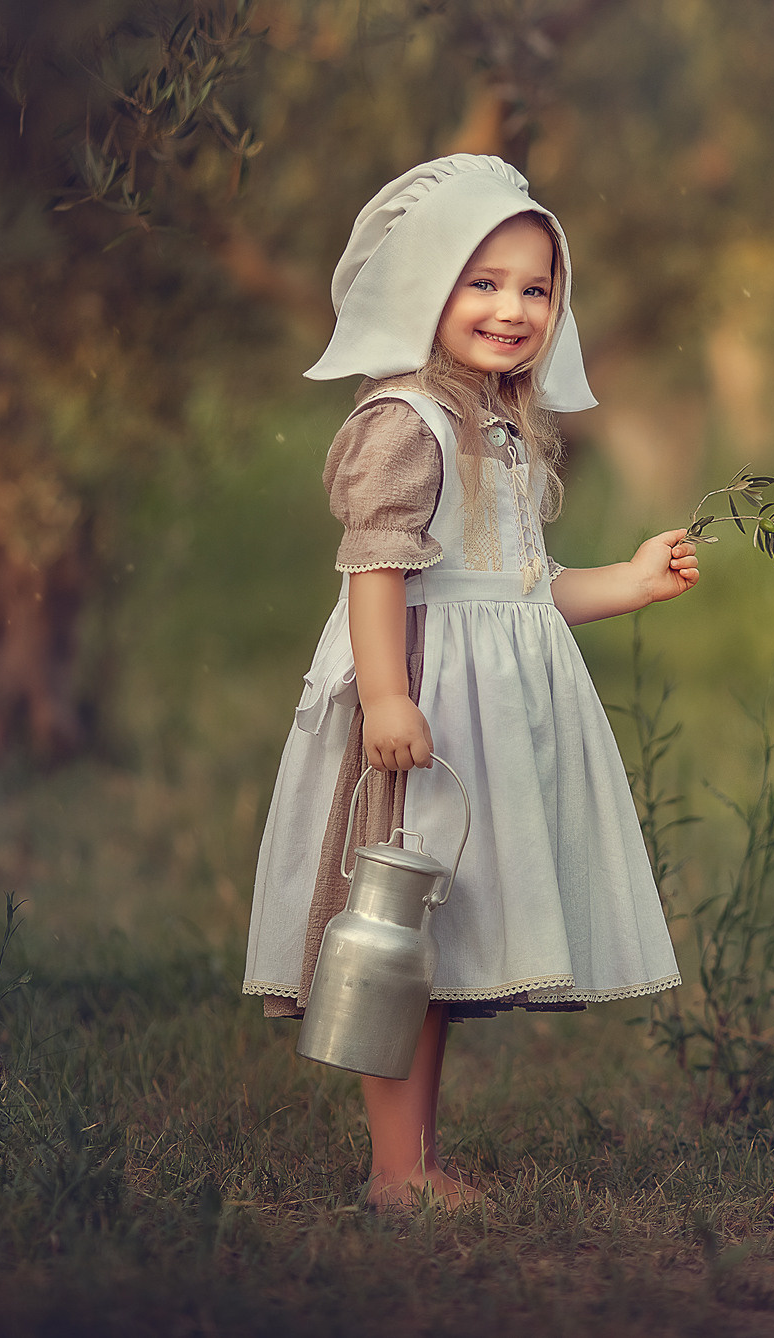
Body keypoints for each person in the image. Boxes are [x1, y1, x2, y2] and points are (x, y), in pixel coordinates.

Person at [242, 154, 697, 1211]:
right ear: (428, 290)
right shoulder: (407, 420)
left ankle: (417, 1162)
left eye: (536, 288)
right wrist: (390, 694)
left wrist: (625, 580)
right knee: (395, 930)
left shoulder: (501, 422)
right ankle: (396, 1174)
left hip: (487, 715)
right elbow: (377, 570)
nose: (512, 307)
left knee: (432, 947)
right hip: (427, 711)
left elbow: (520, 588)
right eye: (482, 282)